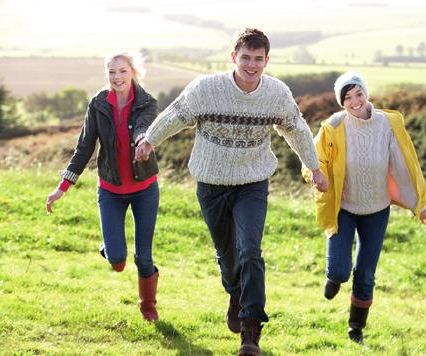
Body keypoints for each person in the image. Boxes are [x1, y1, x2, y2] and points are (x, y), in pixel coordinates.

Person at [136, 28, 327, 356]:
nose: (251, 65)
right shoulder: (207, 89)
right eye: (245, 58)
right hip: (211, 183)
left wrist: (315, 166)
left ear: (267, 60)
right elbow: (177, 115)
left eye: (258, 59)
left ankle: (251, 333)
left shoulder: (276, 94)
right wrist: (150, 139)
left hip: (252, 183)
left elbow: (296, 129)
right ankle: (235, 293)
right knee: (228, 256)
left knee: (250, 249)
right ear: (233, 58)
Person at [303, 71, 426, 344]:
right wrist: (316, 176)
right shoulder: (333, 126)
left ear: (366, 93)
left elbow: (404, 164)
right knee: (339, 270)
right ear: (341, 102)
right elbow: (314, 160)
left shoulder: (389, 123)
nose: (355, 101)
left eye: (358, 94)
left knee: (365, 274)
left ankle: (355, 331)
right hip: (344, 208)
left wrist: (419, 206)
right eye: (347, 97)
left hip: (377, 210)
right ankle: (335, 277)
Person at [45, 52, 161, 321]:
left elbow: (143, 128)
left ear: (133, 72)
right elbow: (85, 147)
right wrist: (62, 187)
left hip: (145, 189)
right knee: (118, 261)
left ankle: (148, 309)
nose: (117, 77)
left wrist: (143, 141)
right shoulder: (98, 103)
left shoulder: (147, 102)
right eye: (112, 72)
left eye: (122, 71)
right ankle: (111, 248)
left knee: (143, 257)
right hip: (110, 190)